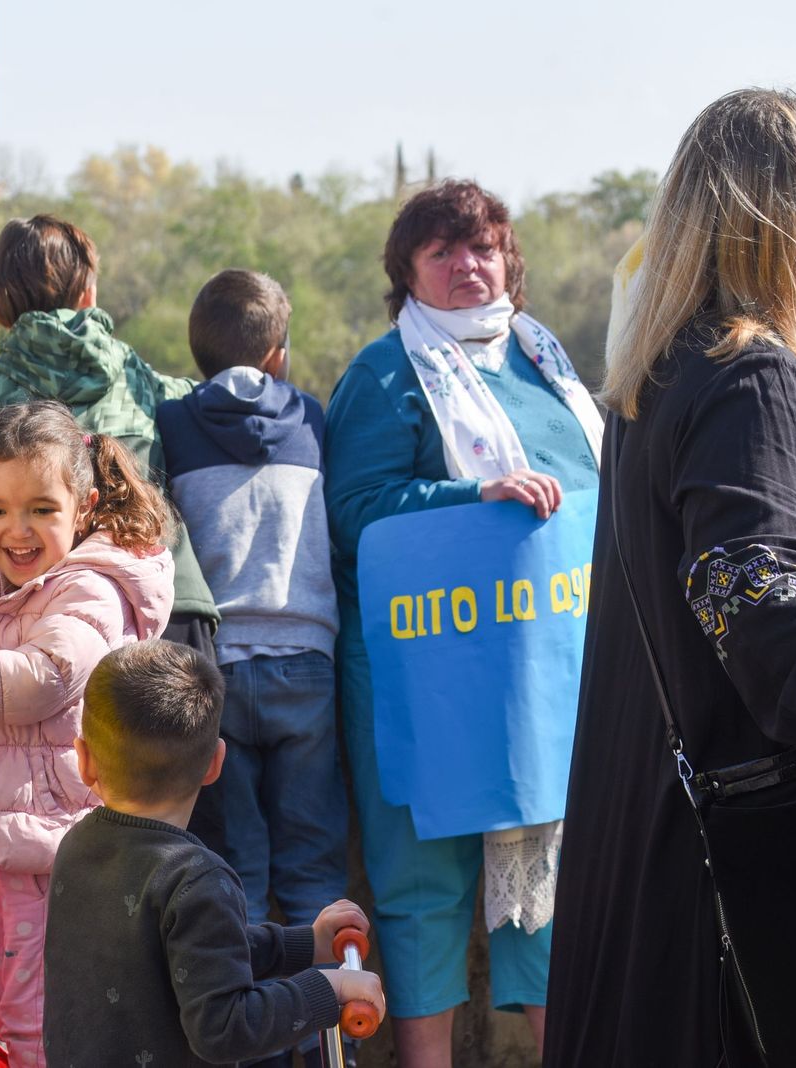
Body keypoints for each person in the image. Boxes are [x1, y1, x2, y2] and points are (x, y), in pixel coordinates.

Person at [546, 88, 796, 1067]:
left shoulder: (654, 378)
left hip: (655, 861)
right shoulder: (751, 374)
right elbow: (754, 605)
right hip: (730, 892)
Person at [323, 179, 603, 1067]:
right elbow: (356, 509)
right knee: (423, 893)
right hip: (425, 682)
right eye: (441, 252)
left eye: (481, 247)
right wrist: (471, 495)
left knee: (559, 891)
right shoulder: (382, 373)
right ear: (408, 275)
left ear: (508, 259)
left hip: (542, 677)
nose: (466, 265)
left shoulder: (546, 362)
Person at [0, 214, 226, 848]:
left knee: (89, 827)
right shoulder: (139, 377)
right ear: (88, 292)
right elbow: (203, 409)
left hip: (39, 626)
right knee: (190, 829)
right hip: (163, 606)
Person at [0, 400, 176, 1065]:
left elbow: (39, 680)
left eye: (41, 509)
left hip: (61, 849)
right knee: (8, 1014)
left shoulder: (89, 590)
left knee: (47, 1023)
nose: (16, 531)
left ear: (85, 505)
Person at [156, 269, 346, 1068]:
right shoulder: (312, 417)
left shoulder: (173, 424)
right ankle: (331, 1045)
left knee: (236, 879)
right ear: (278, 354)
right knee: (313, 874)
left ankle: (257, 1053)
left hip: (218, 672)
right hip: (307, 661)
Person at [41, 639, 384, 1066]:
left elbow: (200, 956)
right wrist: (326, 990)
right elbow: (223, 1029)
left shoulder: (76, 846)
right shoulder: (196, 879)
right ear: (215, 764)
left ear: (84, 759)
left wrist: (305, 945)